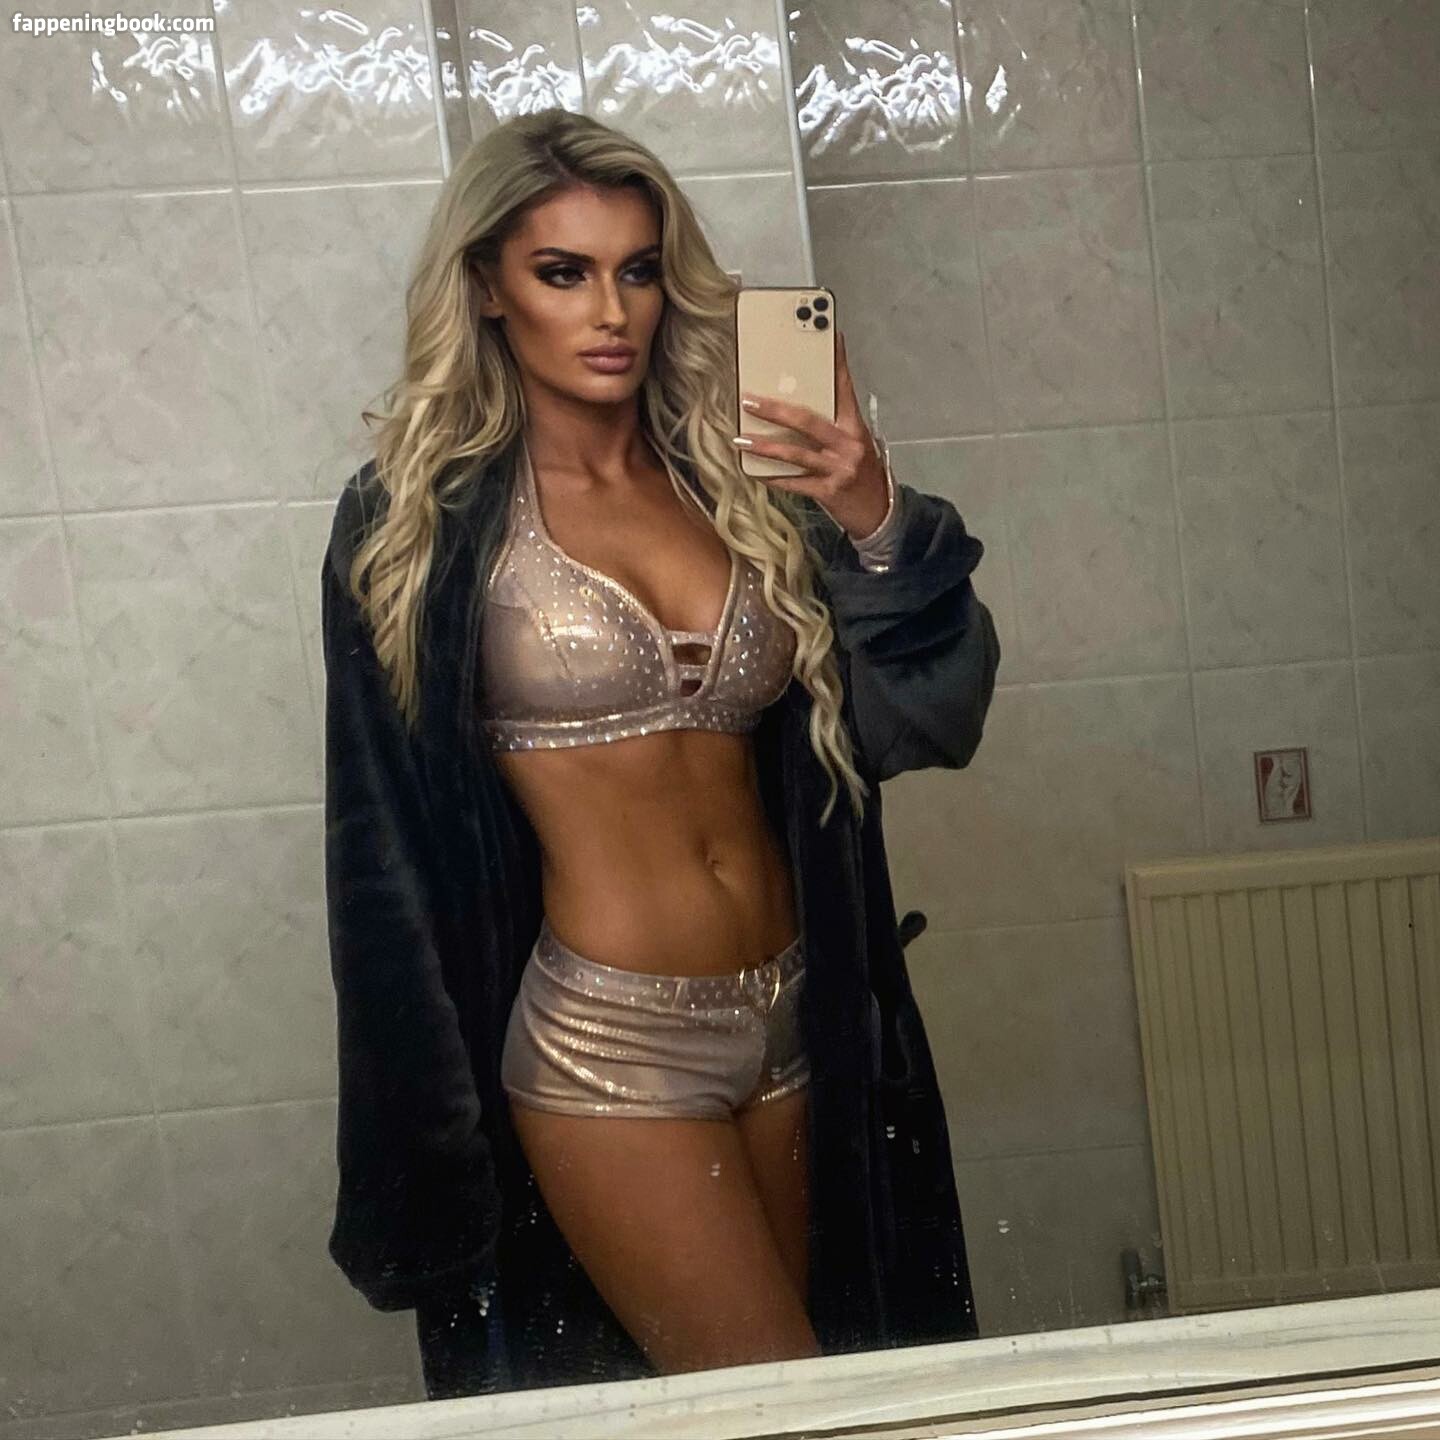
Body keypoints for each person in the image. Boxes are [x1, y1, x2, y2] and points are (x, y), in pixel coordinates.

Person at [320, 108, 1001, 1400]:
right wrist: (416, 1143)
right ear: (488, 287)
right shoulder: (417, 522)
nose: (610, 311)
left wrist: (870, 514)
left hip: (798, 1014)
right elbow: (377, 843)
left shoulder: (737, 485)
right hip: (609, 1047)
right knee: (790, 1402)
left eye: (636, 269)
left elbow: (931, 722)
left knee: (824, 1383)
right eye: (561, 272)